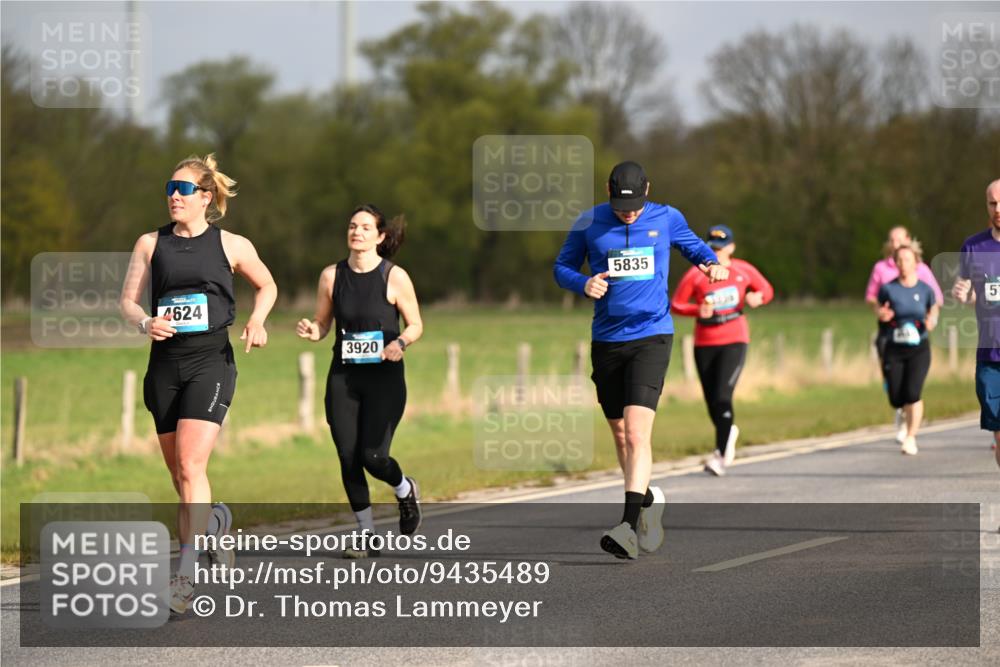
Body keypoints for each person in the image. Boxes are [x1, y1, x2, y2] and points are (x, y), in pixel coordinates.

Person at [120, 154, 277, 614]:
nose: (173, 195)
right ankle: (216, 525)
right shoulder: (150, 243)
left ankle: (185, 577)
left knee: (191, 465)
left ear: (205, 197)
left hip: (211, 363)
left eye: (183, 189)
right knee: (179, 475)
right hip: (164, 367)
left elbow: (266, 286)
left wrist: (258, 321)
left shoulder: (233, 245)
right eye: (169, 188)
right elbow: (127, 301)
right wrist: (145, 321)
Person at [554, 161, 728, 560]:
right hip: (608, 339)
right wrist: (583, 282)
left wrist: (711, 265)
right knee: (619, 434)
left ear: (647, 190)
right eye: (620, 205)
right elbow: (561, 267)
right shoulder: (589, 222)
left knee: (636, 434)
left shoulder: (667, 218)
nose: (627, 212)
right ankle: (647, 499)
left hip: (652, 335)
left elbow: (694, 247)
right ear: (607, 191)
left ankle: (628, 528)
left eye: (633, 205)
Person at [297, 204, 423, 558]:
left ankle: (404, 489)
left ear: (380, 237)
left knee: (373, 456)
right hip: (345, 377)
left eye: (366, 227)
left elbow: (415, 324)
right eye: (353, 226)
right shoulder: (331, 276)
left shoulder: (394, 276)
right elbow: (324, 324)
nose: (357, 232)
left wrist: (399, 343)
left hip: (384, 378)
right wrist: (313, 330)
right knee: (347, 455)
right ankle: (367, 534)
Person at [671, 224, 774, 476]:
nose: (717, 252)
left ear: (731, 247)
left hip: (734, 338)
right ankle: (728, 431)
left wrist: (756, 298)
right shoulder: (696, 275)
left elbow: (766, 290)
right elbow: (676, 304)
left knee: (723, 396)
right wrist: (697, 310)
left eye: (721, 248)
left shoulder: (742, 270)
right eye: (712, 248)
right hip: (704, 342)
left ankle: (719, 455)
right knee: (711, 401)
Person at [865, 226, 944, 442]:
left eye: (899, 239)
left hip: (918, 340)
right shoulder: (881, 270)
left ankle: (911, 433)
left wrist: (931, 319)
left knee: (913, 391)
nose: (895, 242)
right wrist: (881, 312)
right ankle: (899, 407)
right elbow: (873, 299)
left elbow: (934, 300)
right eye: (892, 239)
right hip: (890, 335)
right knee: (895, 390)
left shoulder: (923, 273)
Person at [953, 179, 1000, 468]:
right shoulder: (973, 247)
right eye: (993, 203)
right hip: (991, 356)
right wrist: (964, 294)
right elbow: (971, 293)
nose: (998, 209)